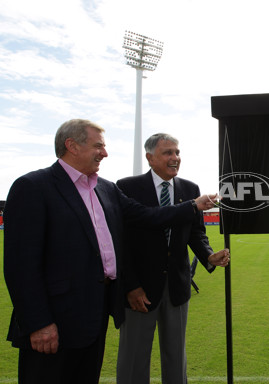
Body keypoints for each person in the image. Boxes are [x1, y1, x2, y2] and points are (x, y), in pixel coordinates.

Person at [3, 119, 218, 384]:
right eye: (98, 146)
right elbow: (21, 266)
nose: (105, 153)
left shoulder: (105, 188)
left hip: (96, 313)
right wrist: (38, 323)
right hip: (54, 321)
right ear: (72, 146)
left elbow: (148, 216)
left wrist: (192, 206)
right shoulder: (34, 187)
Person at [115, 133, 230, 384]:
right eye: (168, 153)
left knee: (176, 357)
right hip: (139, 290)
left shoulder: (190, 189)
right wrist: (131, 286)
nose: (175, 158)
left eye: (177, 152)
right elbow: (119, 244)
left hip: (177, 287)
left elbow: (196, 233)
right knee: (133, 358)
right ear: (150, 158)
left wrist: (209, 256)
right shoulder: (126, 188)